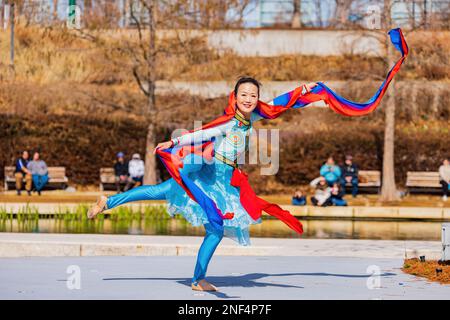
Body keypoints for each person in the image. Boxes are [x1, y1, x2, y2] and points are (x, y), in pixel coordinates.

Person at [85, 33, 407, 291]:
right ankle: (195, 277)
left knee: (189, 210)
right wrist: (174, 142)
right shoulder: (228, 121)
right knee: (174, 200)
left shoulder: (250, 118)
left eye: (253, 94)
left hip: (224, 177)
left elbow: (286, 103)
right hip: (207, 173)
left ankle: (117, 208)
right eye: (244, 94)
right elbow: (200, 134)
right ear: (235, 96)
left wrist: (311, 93)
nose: (249, 98)